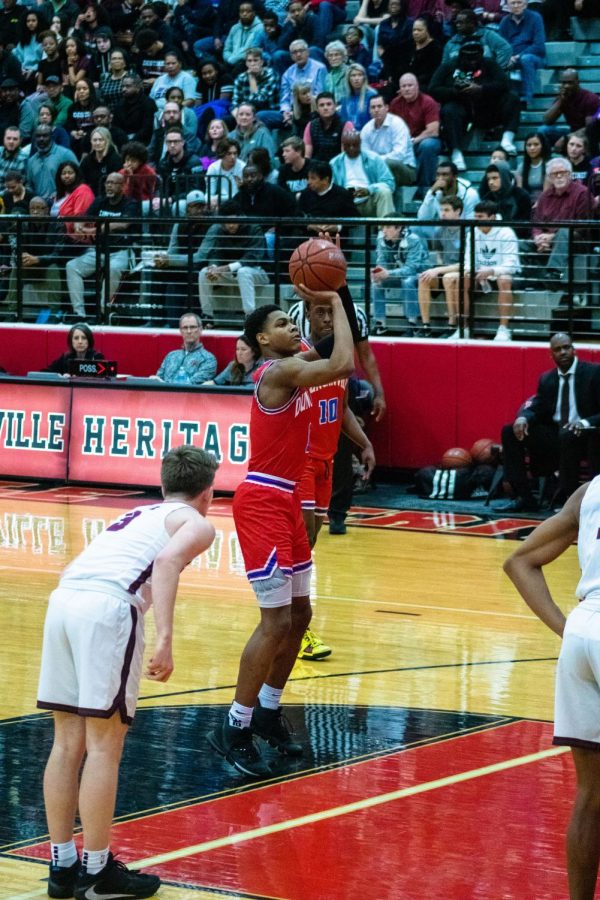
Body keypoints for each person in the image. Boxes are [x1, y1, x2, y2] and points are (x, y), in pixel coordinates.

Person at [38, 444, 216, 900]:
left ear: (163, 485)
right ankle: (97, 873)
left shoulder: (142, 511)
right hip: (107, 610)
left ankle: (62, 868)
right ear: (207, 492)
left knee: (66, 743)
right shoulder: (196, 521)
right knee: (104, 747)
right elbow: (166, 561)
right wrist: (165, 638)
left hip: (63, 599)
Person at [207, 288, 354, 777]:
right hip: (264, 499)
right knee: (274, 622)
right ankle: (234, 725)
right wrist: (333, 302)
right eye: (282, 324)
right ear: (262, 341)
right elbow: (342, 363)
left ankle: (269, 709)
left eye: (294, 322)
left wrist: (335, 297)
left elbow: (331, 350)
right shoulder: (277, 371)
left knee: (300, 613)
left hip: (289, 497)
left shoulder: (294, 360)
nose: (293, 328)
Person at [504, 478, 600, 900]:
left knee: (591, 797)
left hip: (584, 632)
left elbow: (519, 561)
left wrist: (569, 631)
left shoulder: (590, 490)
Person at [296, 293, 375, 660]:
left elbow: (341, 406)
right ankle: (297, 626)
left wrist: (363, 442)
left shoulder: (338, 362)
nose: (328, 318)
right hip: (302, 462)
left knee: (307, 548)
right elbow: (340, 343)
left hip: (326, 463)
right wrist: (337, 294)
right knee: (301, 548)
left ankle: (291, 621)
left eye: (332, 312)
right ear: (307, 313)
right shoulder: (298, 355)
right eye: (321, 311)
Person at [497, 333, 600, 512]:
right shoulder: (547, 379)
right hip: (557, 436)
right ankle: (524, 497)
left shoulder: (593, 372)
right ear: (550, 355)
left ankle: (567, 501)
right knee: (509, 431)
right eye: (558, 349)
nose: (563, 352)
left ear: (574, 350)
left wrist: (584, 423)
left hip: (587, 435)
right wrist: (523, 417)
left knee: (569, 436)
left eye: (567, 347)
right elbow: (537, 405)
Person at [429, 39, 521, 170]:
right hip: (462, 110)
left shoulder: (489, 64)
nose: (472, 61)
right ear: (461, 56)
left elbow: (505, 84)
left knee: (512, 98)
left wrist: (482, 88)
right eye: (469, 58)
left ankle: (507, 139)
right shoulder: (449, 66)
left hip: (486, 109)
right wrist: (455, 92)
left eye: (475, 58)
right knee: (449, 109)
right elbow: (433, 89)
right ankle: (456, 153)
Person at [443, 200, 520, 341]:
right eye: (475, 216)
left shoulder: (507, 233)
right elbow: (468, 262)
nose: (476, 220)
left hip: (502, 275)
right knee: (462, 279)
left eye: (480, 217)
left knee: (504, 279)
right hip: (480, 275)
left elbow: (511, 265)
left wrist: (491, 271)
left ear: (492, 217)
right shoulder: (472, 233)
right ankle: (464, 328)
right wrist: (473, 271)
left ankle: (503, 330)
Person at [65, 171, 139, 316]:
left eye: (113, 183)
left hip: (120, 251)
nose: (109, 186)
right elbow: (85, 217)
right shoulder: (100, 201)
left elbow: (122, 225)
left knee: (113, 269)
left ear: (123, 186)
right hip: (98, 251)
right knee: (71, 266)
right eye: (107, 183)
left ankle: (103, 311)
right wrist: (79, 225)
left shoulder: (130, 203)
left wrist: (95, 229)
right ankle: (79, 313)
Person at [197, 197, 269, 323]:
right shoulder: (220, 231)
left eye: (234, 220)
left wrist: (225, 268)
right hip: (232, 275)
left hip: (258, 273)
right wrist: (213, 267)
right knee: (204, 273)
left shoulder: (254, 228)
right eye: (227, 221)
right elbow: (216, 253)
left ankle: (250, 317)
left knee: (244, 272)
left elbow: (253, 257)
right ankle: (207, 316)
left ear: (240, 217)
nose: (231, 225)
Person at [152, 189, 211, 325]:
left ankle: (185, 322)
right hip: (183, 265)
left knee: (192, 276)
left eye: (201, 206)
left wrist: (171, 260)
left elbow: (200, 257)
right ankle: (156, 320)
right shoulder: (179, 224)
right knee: (157, 271)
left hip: (202, 266)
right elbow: (172, 250)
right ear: (188, 209)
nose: (199, 210)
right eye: (195, 207)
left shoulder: (211, 226)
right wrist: (163, 260)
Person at [370, 215, 430, 335]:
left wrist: (388, 273)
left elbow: (412, 268)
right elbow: (381, 261)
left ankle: (412, 324)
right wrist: (378, 272)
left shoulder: (413, 239)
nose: (384, 230)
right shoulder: (381, 239)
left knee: (407, 281)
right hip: (397, 272)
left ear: (399, 228)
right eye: (382, 227)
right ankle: (380, 324)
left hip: (420, 273)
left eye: (387, 227)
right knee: (376, 283)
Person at [417, 193, 463, 337]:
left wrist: (439, 269)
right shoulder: (439, 231)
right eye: (441, 210)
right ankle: (425, 326)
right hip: (445, 269)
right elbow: (439, 253)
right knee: (423, 278)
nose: (442, 214)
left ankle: (452, 324)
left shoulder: (467, 230)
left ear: (458, 211)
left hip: (462, 270)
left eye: (447, 210)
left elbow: (467, 263)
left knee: (448, 277)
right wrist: (438, 267)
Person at [388, 73, 441, 197]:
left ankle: (424, 186)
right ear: (399, 89)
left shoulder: (428, 102)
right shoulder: (395, 103)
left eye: (410, 85)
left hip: (423, 140)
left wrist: (414, 141)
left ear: (417, 86)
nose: (406, 89)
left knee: (428, 146)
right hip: (403, 142)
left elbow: (433, 130)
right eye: (403, 86)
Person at [331, 130, 395, 217]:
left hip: (369, 201)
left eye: (355, 145)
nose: (351, 148)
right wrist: (344, 194)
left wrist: (369, 190)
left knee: (384, 192)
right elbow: (330, 189)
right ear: (343, 146)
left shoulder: (374, 159)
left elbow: (389, 183)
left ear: (360, 144)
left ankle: (386, 230)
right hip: (345, 205)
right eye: (348, 146)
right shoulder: (334, 163)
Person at [539, 68, 600, 153]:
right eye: (564, 83)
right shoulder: (564, 97)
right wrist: (561, 100)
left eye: (570, 83)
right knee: (543, 130)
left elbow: (589, 129)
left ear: (578, 82)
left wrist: (566, 138)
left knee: (587, 137)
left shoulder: (590, 98)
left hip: (589, 135)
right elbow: (547, 120)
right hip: (572, 131)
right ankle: (547, 162)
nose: (566, 86)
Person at [498, 0, 546, 107]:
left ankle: (527, 98)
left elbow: (539, 46)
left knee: (526, 59)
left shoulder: (535, 18)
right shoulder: (504, 22)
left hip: (535, 58)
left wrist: (518, 56)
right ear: (508, 6)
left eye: (519, 2)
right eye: (513, 3)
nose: (516, 6)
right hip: (512, 58)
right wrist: (508, 57)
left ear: (525, 4)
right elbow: (501, 46)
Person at [154, 311, 217, 384]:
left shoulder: (208, 359)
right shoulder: (171, 356)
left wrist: (163, 383)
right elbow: (157, 380)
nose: (189, 331)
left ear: (200, 329)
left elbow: (191, 386)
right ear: (180, 331)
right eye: (185, 328)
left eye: (193, 327)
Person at [417, 157, 479, 227]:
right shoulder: (436, 193)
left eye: (445, 175)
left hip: (463, 233)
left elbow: (471, 224)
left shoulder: (470, 194)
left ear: (455, 176)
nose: (440, 179)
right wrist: (431, 192)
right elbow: (423, 219)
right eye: (438, 175)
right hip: (442, 233)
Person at [26, 124, 78, 201]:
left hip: (62, 203)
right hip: (39, 207)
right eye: (38, 136)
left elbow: (79, 179)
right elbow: (30, 185)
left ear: (52, 137)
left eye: (45, 136)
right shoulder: (31, 161)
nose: (41, 139)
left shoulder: (65, 154)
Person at [303, 90, 353, 162]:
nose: (325, 108)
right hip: (316, 169)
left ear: (335, 106)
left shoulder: (346, 125)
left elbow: (345, 156)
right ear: (317, 109)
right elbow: (307, 156)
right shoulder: (311, 125)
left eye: (329, 104)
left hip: (336, 167)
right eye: (321, 105)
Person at [79, 126, 122, 195]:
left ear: (107, 141)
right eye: (95, 140)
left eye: (101, 140)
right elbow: (80, 180)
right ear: (91, 141)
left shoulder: (116, 159)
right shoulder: (87, 160)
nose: (97, 143)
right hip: (90, 196)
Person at [205, 137, 245, 208]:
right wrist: (212, 200)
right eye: (229, 154)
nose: (233, 157)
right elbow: (210, 193)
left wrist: (218, 198)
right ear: (222, 154)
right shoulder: (213, 168)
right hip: (217, 202)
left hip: (237, 202)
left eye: (235, 153)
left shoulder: (242, 167)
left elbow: (237, 195)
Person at [339, 63, 377, 132]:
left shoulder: (372, 95)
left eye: (360, 75)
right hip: (349, 137)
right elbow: (343, 121)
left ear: (364, 77)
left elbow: (375, 120)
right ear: (348, 78)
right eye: (353, 75)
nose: (356, 78)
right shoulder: (345, 98)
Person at [514, 130, 550, 203]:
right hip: (527, 203)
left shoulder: (549, 165)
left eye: (536, 144)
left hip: (545, 203)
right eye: (529, 145)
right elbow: (519, 192)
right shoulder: (521, 167)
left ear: (542, 146)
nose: (532, 148)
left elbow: (546, 193)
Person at [0, 125, 27, 191]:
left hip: (6, 196)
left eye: (15, 139)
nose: (11, 141)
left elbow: (14, 188)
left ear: (20, 141)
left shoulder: (23, 159)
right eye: (8, 138)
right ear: (4, 139)